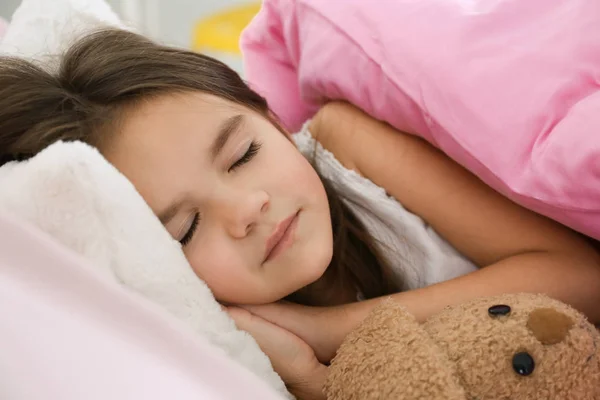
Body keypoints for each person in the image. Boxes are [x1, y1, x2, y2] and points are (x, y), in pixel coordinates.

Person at [1, 29, 598, 399]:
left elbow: (582, 276)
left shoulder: (348, 148)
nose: (248, 208)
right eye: (186, 229)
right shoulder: (226, 345)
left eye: (244, 154)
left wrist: (327, 332)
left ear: (270, 118)